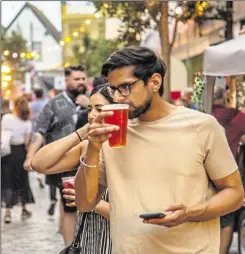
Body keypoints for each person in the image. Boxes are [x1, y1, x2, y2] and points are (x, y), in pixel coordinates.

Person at [74, 46, 244, 254]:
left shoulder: (202, 126)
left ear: (154, 82)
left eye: (125, 87)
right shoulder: (111, 132)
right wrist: (92, 147)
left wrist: (189, 212)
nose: (117, 98)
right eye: (113, 89)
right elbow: (84, 203)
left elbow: (234, 193)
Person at [31, 84, 112, 253]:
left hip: (116, 244)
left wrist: (87, 201)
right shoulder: (87, 147)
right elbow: (39, 163)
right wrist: (81, 133)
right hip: (87, 243)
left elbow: (131, 215)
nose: (92, 115)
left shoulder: (129, 150)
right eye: (90, 109)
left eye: (99, 109)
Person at [23, 64, 89, 245]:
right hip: (64, 164)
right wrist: (30, 156)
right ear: (66, 81)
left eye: (83, 78)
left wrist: (89, 105)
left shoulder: (94, 101)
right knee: (70, 207)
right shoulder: (53, 104)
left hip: (89, 162)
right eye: (76, 79)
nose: (81, 82)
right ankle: (70, 247)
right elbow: (39, 132)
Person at [212, 86, 245, 254]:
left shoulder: (199, 115)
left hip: (203, 173)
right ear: (225, 97)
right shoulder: (236, 116)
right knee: (226, 217)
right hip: (227, 173)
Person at [1, 96, 35, 223]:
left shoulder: (6, 118)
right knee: (22, 181)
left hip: (8, 153)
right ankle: (24, 209)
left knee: (8, 181)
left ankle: (8, 212)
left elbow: (4, 136)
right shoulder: (27, 122)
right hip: (21, 152)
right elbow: (27, 142)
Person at [29, 88, 48, 188]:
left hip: (34, 133)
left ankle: (38, 172)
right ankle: (41, 173)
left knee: (35, 153)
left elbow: (29, 117)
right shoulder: (46, 103)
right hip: (44, 132)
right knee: (43, 153)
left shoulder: (31, 105)